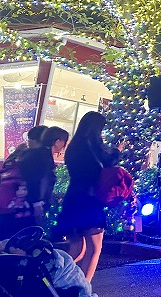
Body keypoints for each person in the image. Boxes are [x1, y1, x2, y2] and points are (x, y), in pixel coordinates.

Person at [56, 111, 123, 283]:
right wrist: (117, 151)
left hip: (73, 197)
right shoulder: (93, 144)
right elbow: (106, 161)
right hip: (90, 199)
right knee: (94, 248)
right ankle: (83, 287)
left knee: (77, 247)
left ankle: (54, 278)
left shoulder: (74, 146)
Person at [16, 126, 70, 231]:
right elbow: (41, 180)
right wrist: (37, 203)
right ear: (58, 141)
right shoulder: (44, 156)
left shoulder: (31, 153)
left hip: (22, 200)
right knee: (30, 230)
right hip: (31, 202)